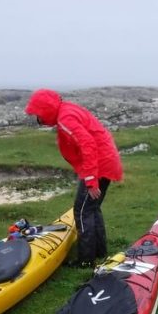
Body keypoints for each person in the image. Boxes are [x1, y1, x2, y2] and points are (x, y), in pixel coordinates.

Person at [25, 89, 123, 267]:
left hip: (98, 165)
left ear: (46, 109)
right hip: (105, 161)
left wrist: (91, 180)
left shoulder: (65, 119)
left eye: (38, 114)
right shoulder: (67, 109)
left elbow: (88, 144)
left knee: (82, 210)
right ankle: (100, 252)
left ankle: (86, 260)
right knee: (92, 209)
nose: (38, 119)